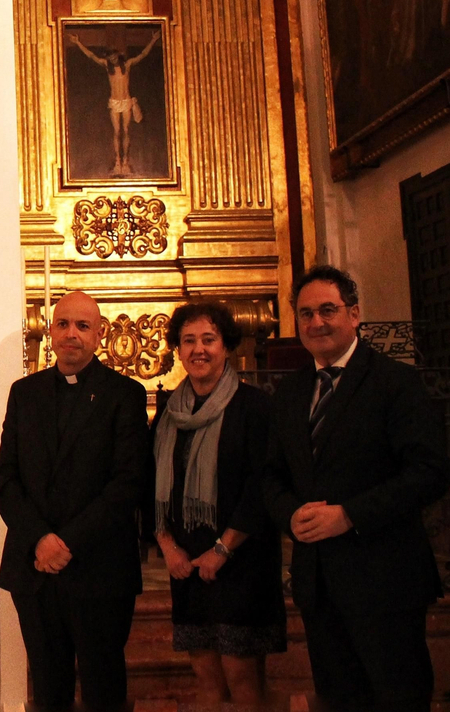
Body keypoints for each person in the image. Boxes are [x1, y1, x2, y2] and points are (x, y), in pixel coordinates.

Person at [265, 265, 450, 712]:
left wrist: (349, 515)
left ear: (354, 314)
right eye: (306, 313)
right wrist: (290, 513)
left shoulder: (395, 382)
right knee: (338, 701)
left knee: (398, 699)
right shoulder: (290, 392)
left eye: (327, 310)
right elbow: (270, 476)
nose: (316, 322)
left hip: (386, 580)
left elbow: (430, 472)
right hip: (319, 584)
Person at [0, 290, 149, 712]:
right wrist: (41, 539)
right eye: (63, 324)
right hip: (35, 568)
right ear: (51, 330)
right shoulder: (24, 393)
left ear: (99, 335)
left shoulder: (124, 394)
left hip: (99, 567)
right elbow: (7, 480)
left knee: (103, 692)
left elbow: (127, 483)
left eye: (83, 326)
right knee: (48, 693)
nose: (71, 334)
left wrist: (66, 543)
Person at [152, 303, 284, 708]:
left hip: (242, 562)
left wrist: (223, 548)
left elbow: (261, 485)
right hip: (188, 564)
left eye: (208, 339)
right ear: (178, 350)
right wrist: (168, 546)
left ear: (226, 345)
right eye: (188, 340)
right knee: (205, 677)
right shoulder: (169, 413)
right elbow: (150, 485)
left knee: (243, 680)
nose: (199, 349)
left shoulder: (254, 406)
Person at [68, 30, 158, 177]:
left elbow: (142, 55)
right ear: (109, 58)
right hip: (115, 102)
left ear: (118, 56)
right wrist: (78, 42)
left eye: (114, 56)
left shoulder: (127, 65)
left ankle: (125, 162)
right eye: (111, 57)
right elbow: (91, 56)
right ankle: (118, 162)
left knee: (126, 131)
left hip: (126, 101)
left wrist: (153, 40)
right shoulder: (106, 65)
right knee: (116, 132)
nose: (113, 59)